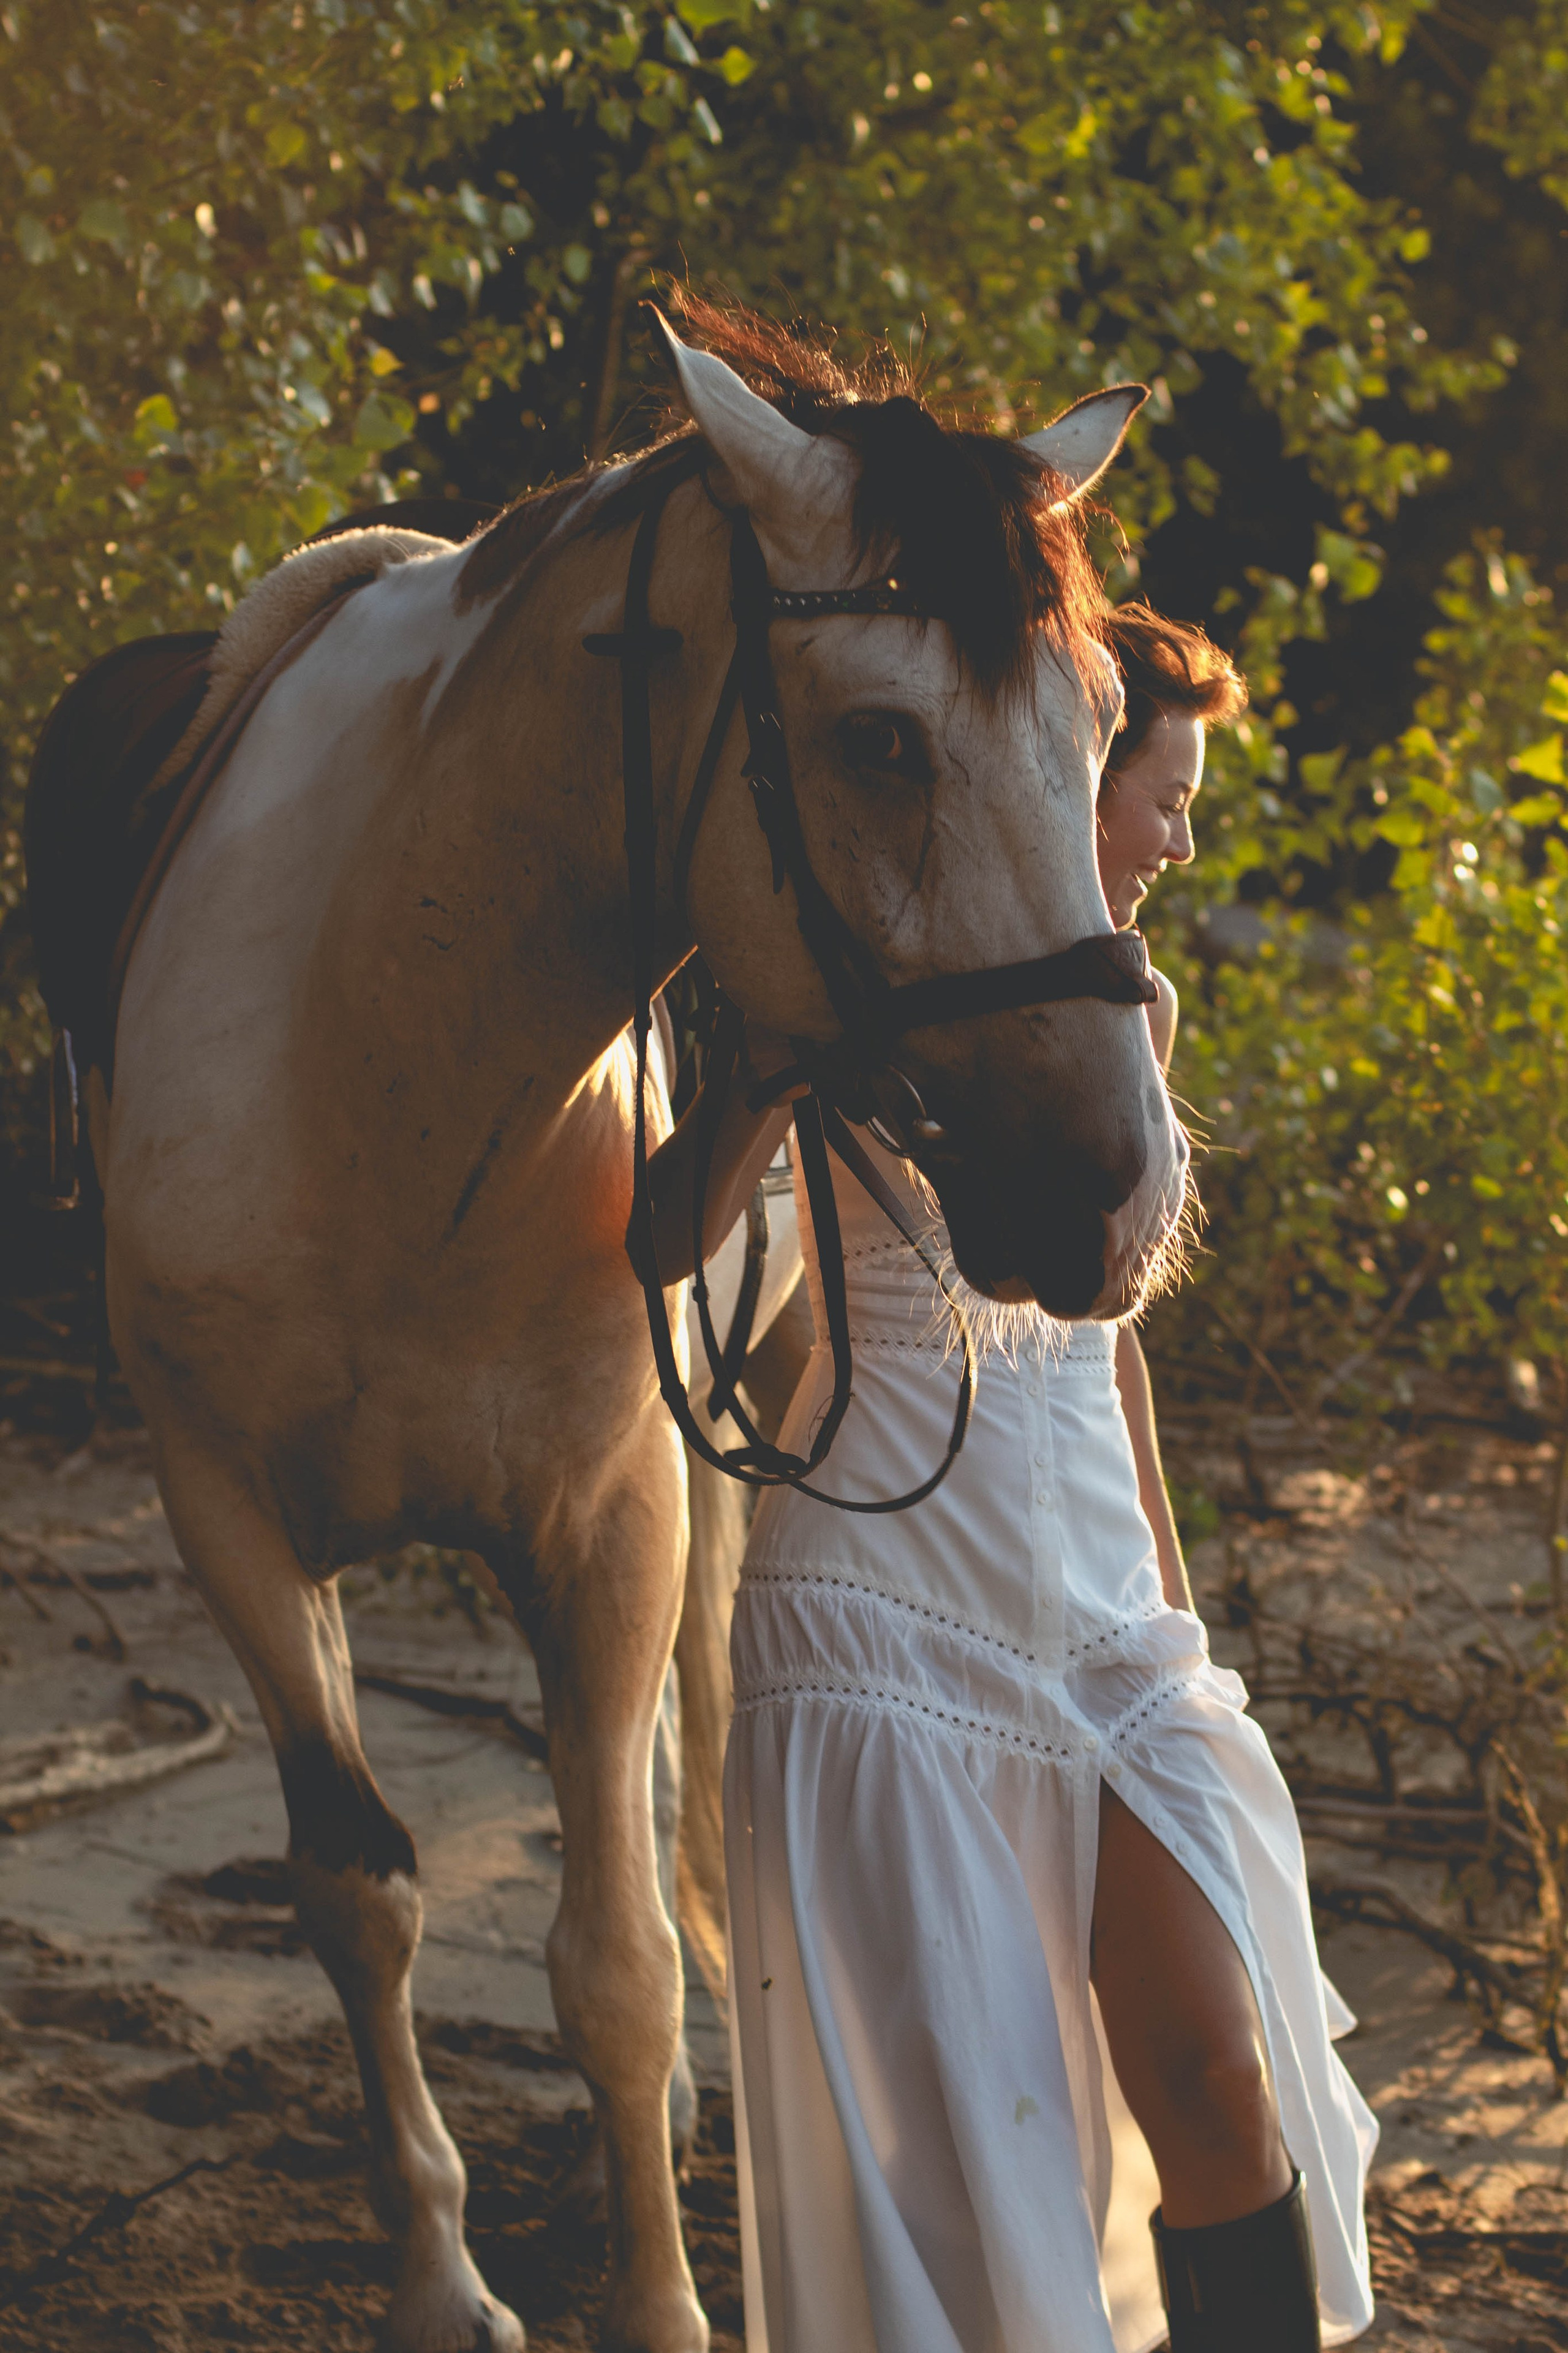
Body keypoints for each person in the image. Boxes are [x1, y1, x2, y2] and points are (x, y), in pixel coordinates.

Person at [644, 604, 1376, 2353]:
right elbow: (665, 1243)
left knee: (1213, 2071)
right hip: (887, 1601)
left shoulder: (1148, 1011)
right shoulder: (858, 983)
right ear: (1067, 788)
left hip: (1107, 1611)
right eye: (1166, 796)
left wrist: (1177, 1607)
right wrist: (765, 1075)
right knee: (966, 2135)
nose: (1182, 838)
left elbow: (1109, 1333)